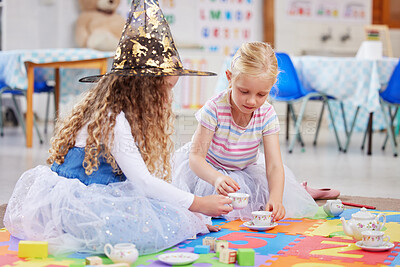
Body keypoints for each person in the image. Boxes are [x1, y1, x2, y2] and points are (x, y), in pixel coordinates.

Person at [3, 0, 233, 256]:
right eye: (166, 89)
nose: (169, 99)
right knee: (154, 227)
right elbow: (144, 182)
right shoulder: (113, 121)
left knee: (167, 210)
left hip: (89, 200)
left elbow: (141, 180)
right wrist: (199, 204)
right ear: (143, 88)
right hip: (82, 209)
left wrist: (190, 209)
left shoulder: (110, 109)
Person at [173, 42, 319, 222]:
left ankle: (304, 190)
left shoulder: (266, 113)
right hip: (208, 172)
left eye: (261, 94)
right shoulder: (214, 108)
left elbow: (274, 166)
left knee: (268, 200)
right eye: (244, 91)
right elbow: (196, 158)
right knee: (199, 211)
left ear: (271, 87)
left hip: (245, 170)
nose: (251, 101)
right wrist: (216, 178)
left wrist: (276, 198)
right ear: (230, 78)